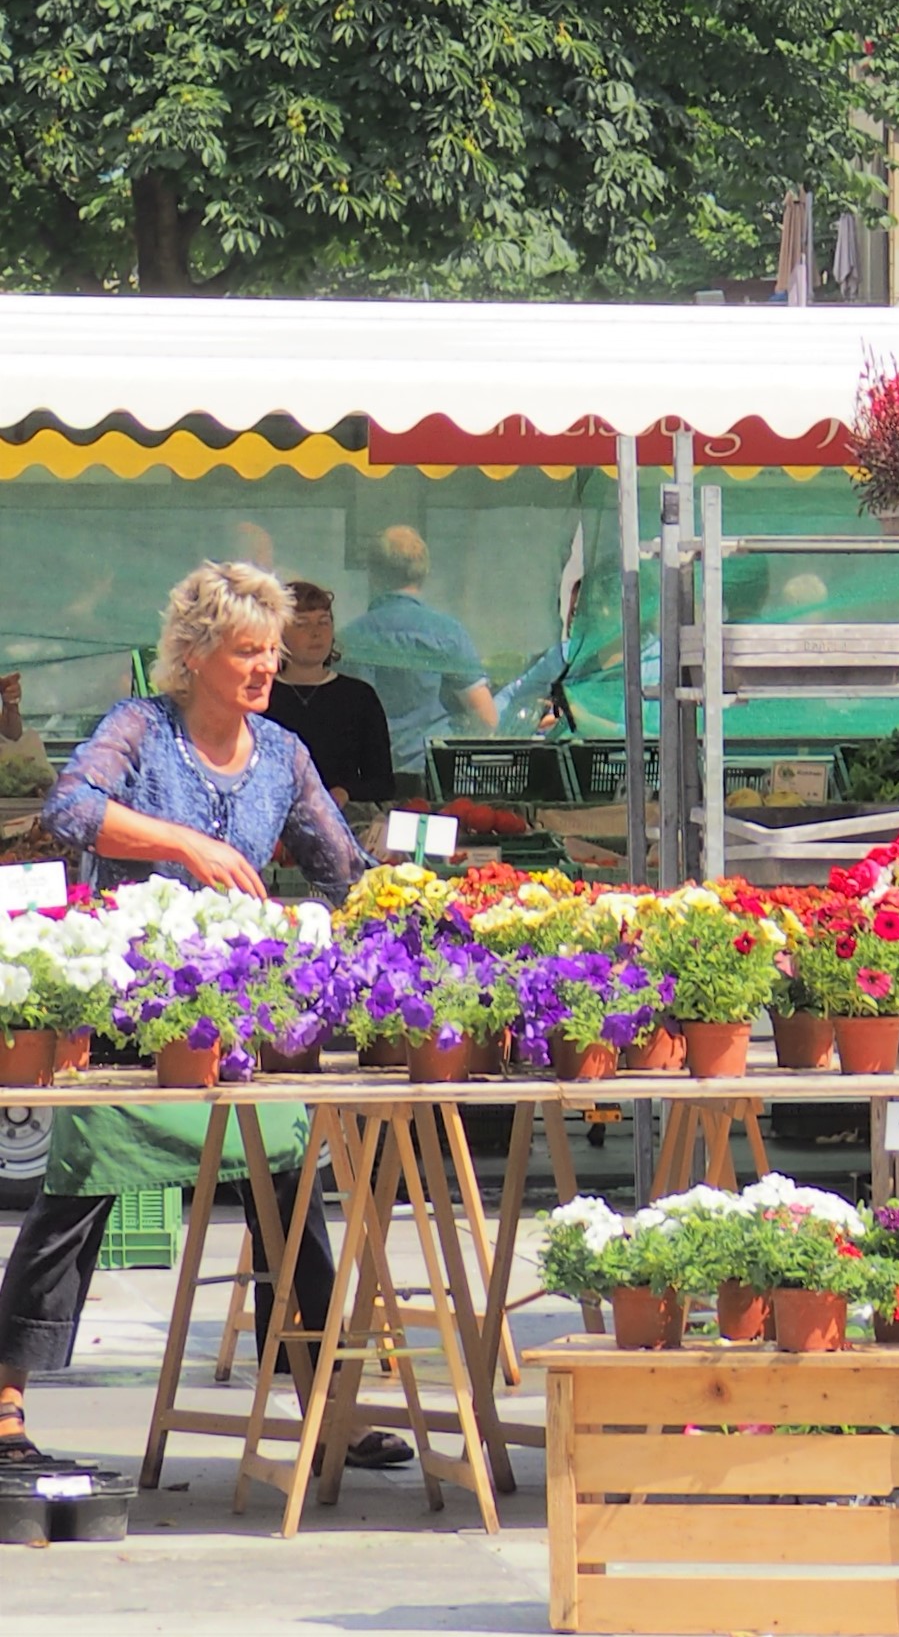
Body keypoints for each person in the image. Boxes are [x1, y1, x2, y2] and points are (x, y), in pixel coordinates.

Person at [0, 566, 405, 1490]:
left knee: (291, 1195)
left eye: (271, 648)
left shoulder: (282, 752)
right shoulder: (142, 727)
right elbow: (70, 809)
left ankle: (323, 1410)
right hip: (130, 1014)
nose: (266, 665)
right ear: (193, 657)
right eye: (247, 650)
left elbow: (343, 868)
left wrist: (428, 912)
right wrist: (182, 842)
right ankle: (5, 1399)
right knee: (77, 1192)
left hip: (239, 1019)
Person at [343, 524, 497, 784]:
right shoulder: (448, 633)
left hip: (366, 778)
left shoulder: (346, 639)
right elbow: (487, 719)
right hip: (433, 776)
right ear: (423, 573)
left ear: (373, 574)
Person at [257, 582, 396, 807]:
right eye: (302, 624)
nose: (316, 633)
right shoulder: (258, 695)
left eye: (324, 622)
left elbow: (383, 783)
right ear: (278, 633)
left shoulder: (360, 697)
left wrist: (345, 792)